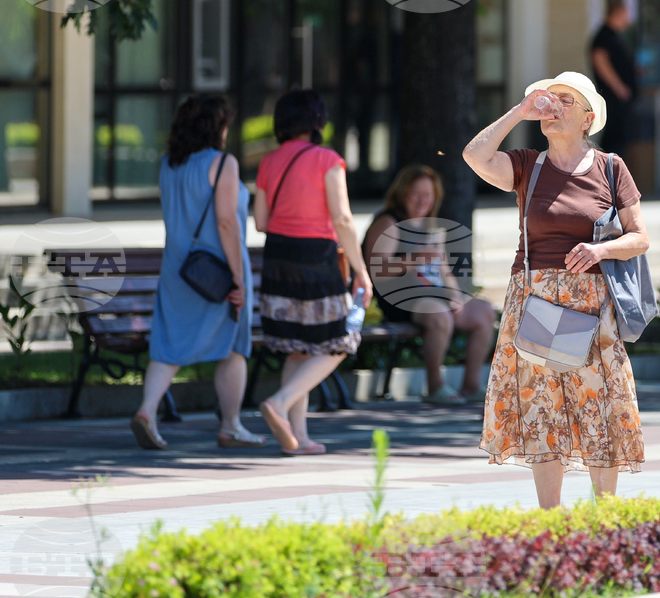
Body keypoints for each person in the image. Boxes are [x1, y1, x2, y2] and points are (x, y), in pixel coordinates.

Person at [463, 70, 646, 509]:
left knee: (603, 404)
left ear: (587, 117)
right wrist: (521, 111)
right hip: (536, 299)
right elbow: (475, 155)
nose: (554, 106)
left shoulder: (610, 167)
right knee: (542, 409)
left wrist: (601, 251)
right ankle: (551, 519)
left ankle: (606, 515)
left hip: (593, 303)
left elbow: (639, 237)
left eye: (567, 100)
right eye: (550, 98)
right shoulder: (528, 164)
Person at [131, 95, 265, 450]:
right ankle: (231, 425)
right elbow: (226, 223)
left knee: (169, 343)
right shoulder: (223, 164)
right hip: (219, 271)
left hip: (178, 269)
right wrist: (238, 277)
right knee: (233, 347)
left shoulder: (168, 166)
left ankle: (147, 409)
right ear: (214, 127)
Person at [254, 89, 373, 455]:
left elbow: (260, 222)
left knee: (298, 348)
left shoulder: (269, 161)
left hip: (277, 257)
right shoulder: (327, 159)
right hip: (315, 258)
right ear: (317, 121)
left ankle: (299, 438)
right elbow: (342, 218)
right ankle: (280, 401)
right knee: (341, 340)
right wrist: (361, 271)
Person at [362, 165, 497, 406]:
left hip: (435, 295)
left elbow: (443, 271)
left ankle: (471, 385)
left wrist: (456, 296)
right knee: (440, 316)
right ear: (403, 192)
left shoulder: (430, 227)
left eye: (428, 194)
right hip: (400, 298)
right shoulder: (388, 222)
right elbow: (377, 271)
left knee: (484, 311)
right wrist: (412, 260)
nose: (423, 200)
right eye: (416, 193)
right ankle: (435, 386)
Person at [590, 1, 637, 158]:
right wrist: (618, 87)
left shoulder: (615, 36)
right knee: (613, 140)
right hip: (612, 99)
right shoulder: (604, 35)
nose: (628, 19)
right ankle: (605, 176)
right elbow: (599, 59)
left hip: (620, 101)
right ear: (617, 13)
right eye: (626, 14)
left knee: (620, 139)